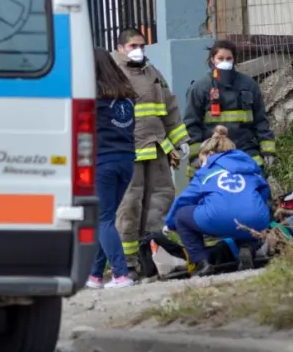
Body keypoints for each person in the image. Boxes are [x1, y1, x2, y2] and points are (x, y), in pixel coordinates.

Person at [112, 28, 189, 279]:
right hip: (129, 150)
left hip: (157, 148)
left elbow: (170, 107)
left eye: (142, 46)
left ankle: (155, 257)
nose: (139, 50)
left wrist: (180, 139)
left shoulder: (152, 72)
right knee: (129, 207)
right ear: (120, 48)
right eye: (133, 46)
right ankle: (127, 265)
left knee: (160, 203)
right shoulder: (112, 74)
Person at [164, 126, 271, 277]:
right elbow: (264, 190)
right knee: (252, 215)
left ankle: (201, 263)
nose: (201, 164)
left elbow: (184, 199)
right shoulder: (249, 167)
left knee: (181, 215)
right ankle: (247, 248)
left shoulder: (205, 172)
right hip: (254, 220)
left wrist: (170, 224)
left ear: (210, 154)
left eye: (202, 160)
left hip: (217, 218)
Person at [183, 40, 276, 175]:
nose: (225, 62)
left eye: (228, 58)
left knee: (255, 185)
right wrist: (196, 156)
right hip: (212, 153)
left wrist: (268, 150)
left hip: (245, 151)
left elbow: (261, 120)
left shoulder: (249, 85)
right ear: (212, 60)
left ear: (234, 60)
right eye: (220, 58)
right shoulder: (200, 88)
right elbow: (191, 124)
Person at [86, 49, 137, 290]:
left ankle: (121, 274)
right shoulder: (126, 96)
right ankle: (95, 275)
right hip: (126, 161)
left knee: (103, 219)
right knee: (106, 218)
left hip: (102, 162)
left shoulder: (92, 98)